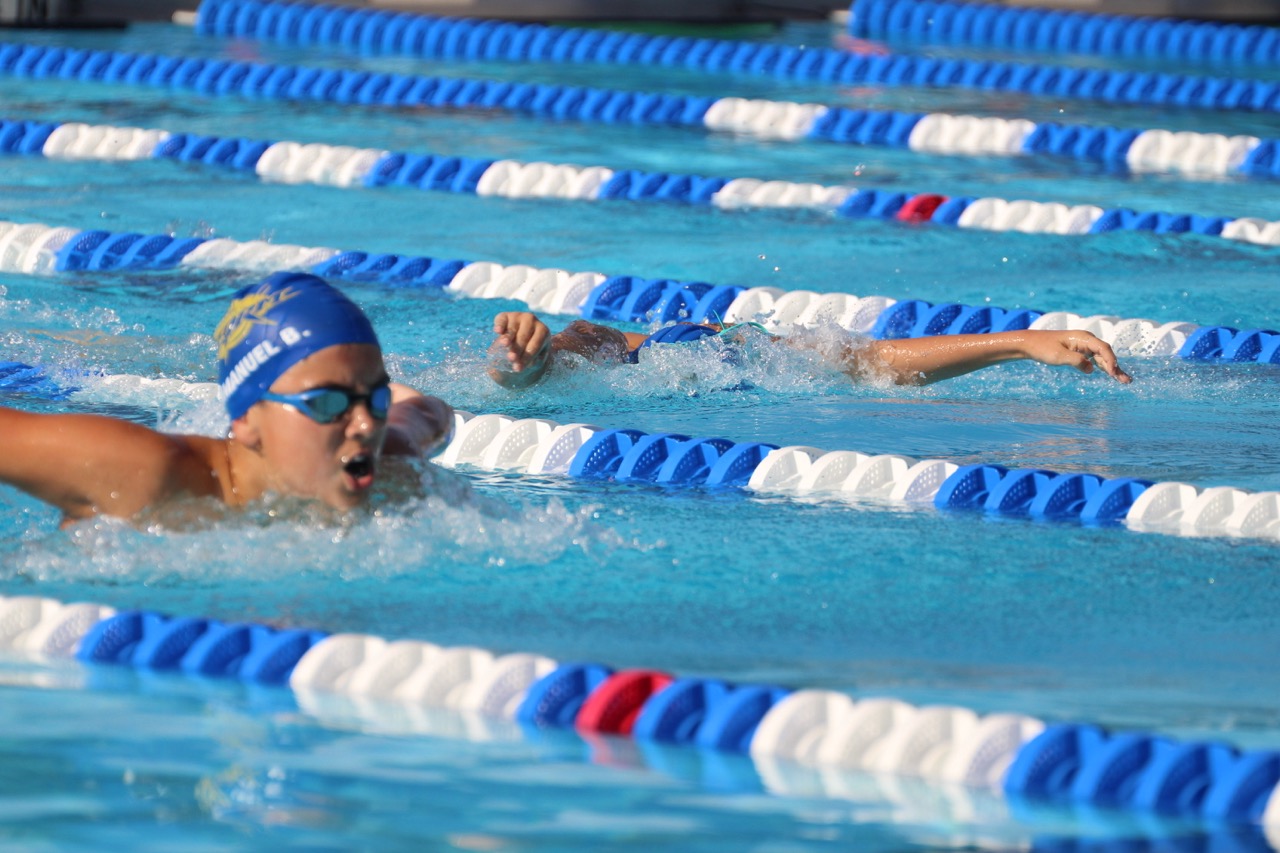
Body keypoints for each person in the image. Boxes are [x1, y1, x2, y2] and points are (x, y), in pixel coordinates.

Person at [0, 273, 453, 525]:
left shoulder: (394, 468)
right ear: (247, 420)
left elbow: (428, 412)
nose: (366, 425)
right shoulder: (151, 474)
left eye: (374, 400)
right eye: (328, 404)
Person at [487, 311, 1133, 388]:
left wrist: (1022, 343)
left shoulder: (752, 347)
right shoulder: (601, 341)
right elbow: (556, 357)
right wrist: (528, 360)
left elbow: (877, 361)